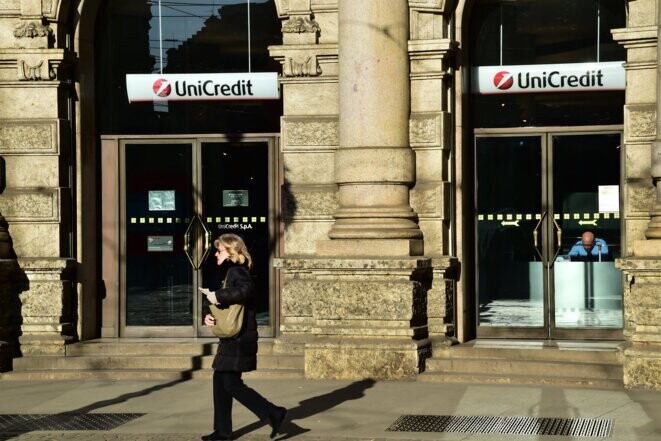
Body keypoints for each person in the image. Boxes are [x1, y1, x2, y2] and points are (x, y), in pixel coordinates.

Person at [199, 233, 287, 441]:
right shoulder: (229, 272)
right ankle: (222, 431)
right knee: (220, 381)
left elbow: (245, 291)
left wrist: (217, 296)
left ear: (231, 251)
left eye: (219, 250)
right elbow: (226, 305)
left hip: (239, 339)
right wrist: (209, 315)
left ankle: (273, 412)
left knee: (230, 384)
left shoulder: (237, 271)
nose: (215, 255)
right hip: (234, 338)